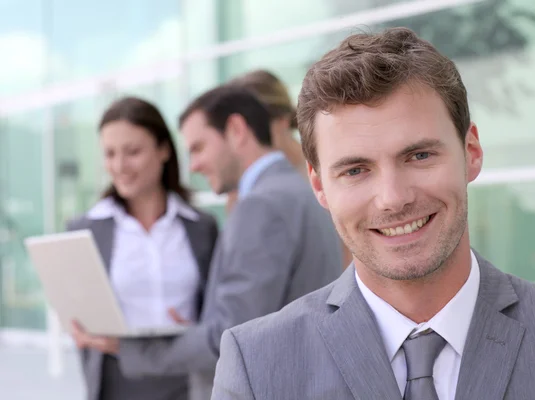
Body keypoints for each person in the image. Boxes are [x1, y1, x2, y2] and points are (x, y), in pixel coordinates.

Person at [211, 27, 535, 399]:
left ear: (472, 152)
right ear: (319, 186)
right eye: (356, 170)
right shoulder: (257, 367)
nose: (393, 199)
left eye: (419, 155)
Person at [73, 86, 343, 399]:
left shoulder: (259, 206)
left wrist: (129, 349)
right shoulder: (300, 191)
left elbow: (230, 337)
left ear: (236, 130)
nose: (194, 165)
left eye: (199, 147)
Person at [68, 96, 219, 400]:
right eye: (110, 154)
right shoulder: (86, 230)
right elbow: (77, 312)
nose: (120, 166)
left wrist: (198, 328)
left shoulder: (202, 227)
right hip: (117, 380)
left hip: (188, 379)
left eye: (133, 152)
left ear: (164, 150)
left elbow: (218, 311)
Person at [228, 69, 354, 269]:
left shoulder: (322, 171)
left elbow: (348, 250)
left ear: (282, 120)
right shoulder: (245, 187)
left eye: (254, 123)